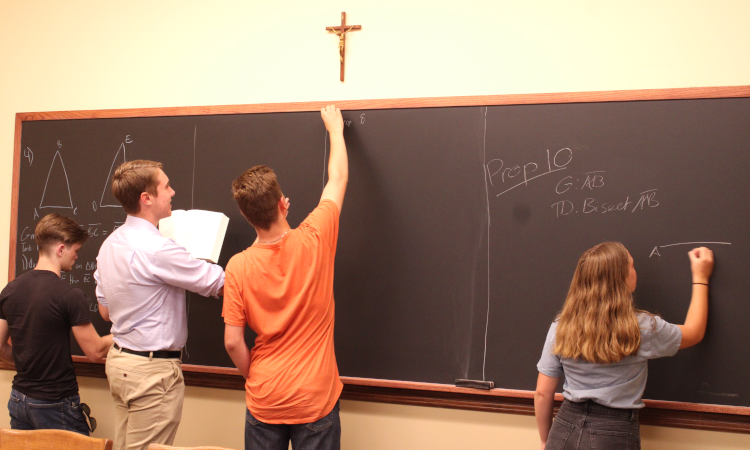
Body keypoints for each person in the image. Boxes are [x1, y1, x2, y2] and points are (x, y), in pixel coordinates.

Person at [223, 105, 348, 450]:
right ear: (283, 203)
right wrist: (335, 129)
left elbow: (233, 342)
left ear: (246, 216)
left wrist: (256, 376)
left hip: (265, 396)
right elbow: (337, 179)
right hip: (315, 395)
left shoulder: (238, 266)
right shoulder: (316, 236)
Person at [94, 160, 225, 450]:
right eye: (166, 186)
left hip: (121, 363)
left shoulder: (109, 245)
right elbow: (220, 284)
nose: (173, 192)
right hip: (151, 372)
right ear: (147, 198)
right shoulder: (158, 248)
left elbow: (104, 311)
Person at [534, 242, 714, 450]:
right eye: (632, 266)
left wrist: (545, 440)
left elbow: (542, 393)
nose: (635, 271)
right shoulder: (642, 328)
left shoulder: (561, 326)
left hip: (565, 426)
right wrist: (701, 278)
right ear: (620, 279)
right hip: (613, 432)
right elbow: (695, 332)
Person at [0, 213, 113, 435]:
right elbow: (95, 351)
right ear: (61, 249)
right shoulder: (69, 295)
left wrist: (27, 361)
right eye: (76, 251)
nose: (76, 257)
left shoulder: (10, 290)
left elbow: (0, 347)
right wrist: (128, 332)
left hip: (19, 399)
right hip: (55, 403)